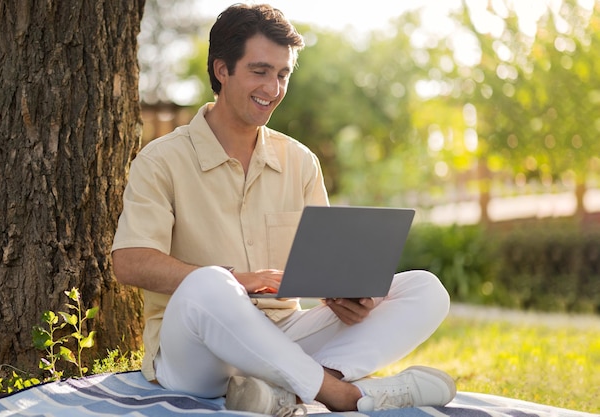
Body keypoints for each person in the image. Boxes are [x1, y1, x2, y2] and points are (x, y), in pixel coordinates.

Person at [112, 3, 456, 415]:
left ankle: (285, 393)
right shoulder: (162, 159)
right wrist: (238, 281)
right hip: (197, 354)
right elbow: (129, 262)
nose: (273, 89)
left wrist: (346, 295)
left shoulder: (300, 161)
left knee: (424, 289)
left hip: (283, 337)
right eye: (260, 72)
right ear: (222, 70)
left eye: (282, 75)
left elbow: (326, 267)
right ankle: (340, 394)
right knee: (210, 284)